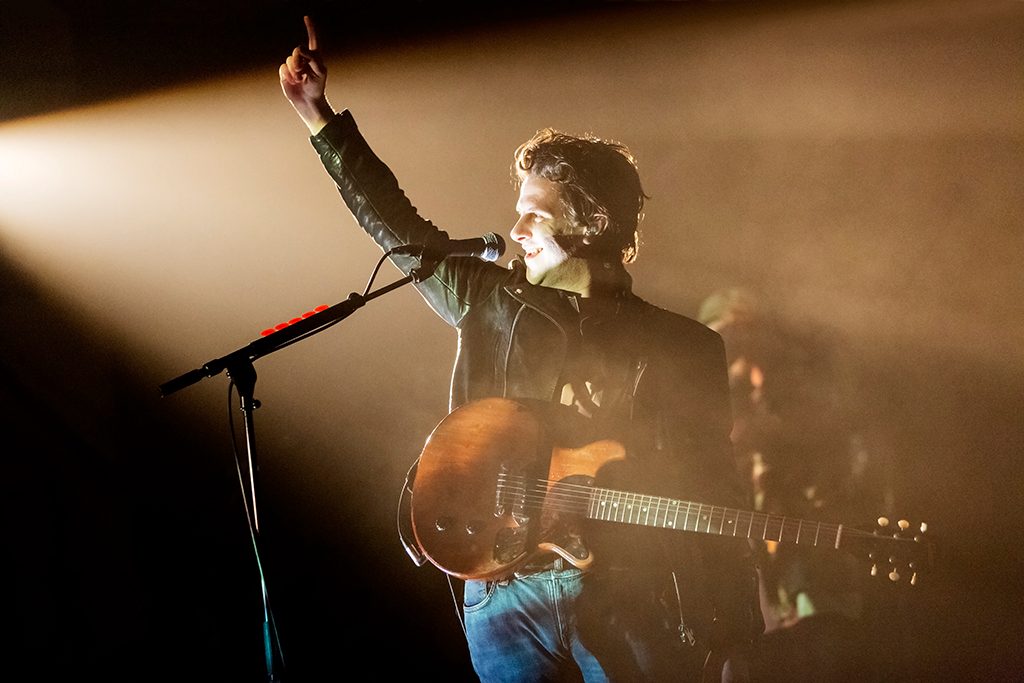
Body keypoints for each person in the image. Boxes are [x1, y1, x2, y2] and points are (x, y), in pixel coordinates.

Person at [280, 16, 762, 682]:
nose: (515, 229)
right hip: (500, 597)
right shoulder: (486, 298)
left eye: (536, 212)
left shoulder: (683, 346)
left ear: (594, 221)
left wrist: (737, 631)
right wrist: (320, 118)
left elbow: (715, 489)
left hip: (630, 593)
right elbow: (396, 225)